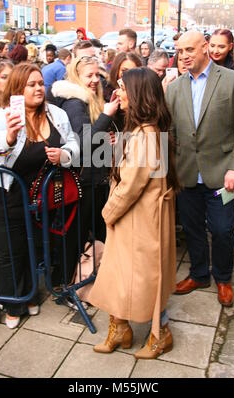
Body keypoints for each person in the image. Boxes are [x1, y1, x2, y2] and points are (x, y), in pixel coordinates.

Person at [0, 63, 80, 328]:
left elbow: (74, 144)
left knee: (29, 246)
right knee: (7, 251)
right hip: (4, 193)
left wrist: (65, 155)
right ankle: (13, 304)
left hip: (38, 196)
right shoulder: (4, 116)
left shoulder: (55, 113)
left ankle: (29, 295)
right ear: (17, 89)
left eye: (40, 83)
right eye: (31, 84)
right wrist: (9, 137)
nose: (38, 88)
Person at [89, 67, 180, 359]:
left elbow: (131, 186)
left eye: (124, 89)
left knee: (147, 280)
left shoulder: (146, 135)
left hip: (139, 220)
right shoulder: (146, 130)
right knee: (120, 276)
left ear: (139, 94)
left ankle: (160, 334)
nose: (118, 94)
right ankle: (120, 329)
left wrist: (108, 212)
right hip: (137, 218)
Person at [165, 31, 234, 307]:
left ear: (205, 48)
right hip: (187, 173)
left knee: (222, 228)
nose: (184, 56)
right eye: (180, 51)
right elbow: (169, 131)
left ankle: (223, 278)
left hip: (223, 175)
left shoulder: (232, 80)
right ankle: (199, 274)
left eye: (190, 49)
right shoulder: (175, 87)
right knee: (192, 228)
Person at [47, 56, 120, 292]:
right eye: (89, 75)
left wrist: (107, 139)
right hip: (82, 180)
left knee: (94, 231)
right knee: (75, 235)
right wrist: (107, 116)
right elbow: (81, 141)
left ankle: (87, 276)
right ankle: (63, 284)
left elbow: (93, 136)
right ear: (77, 76)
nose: (94, 80)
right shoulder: (75, 102)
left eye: (97, 75)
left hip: (94, 177)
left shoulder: (91, 99)